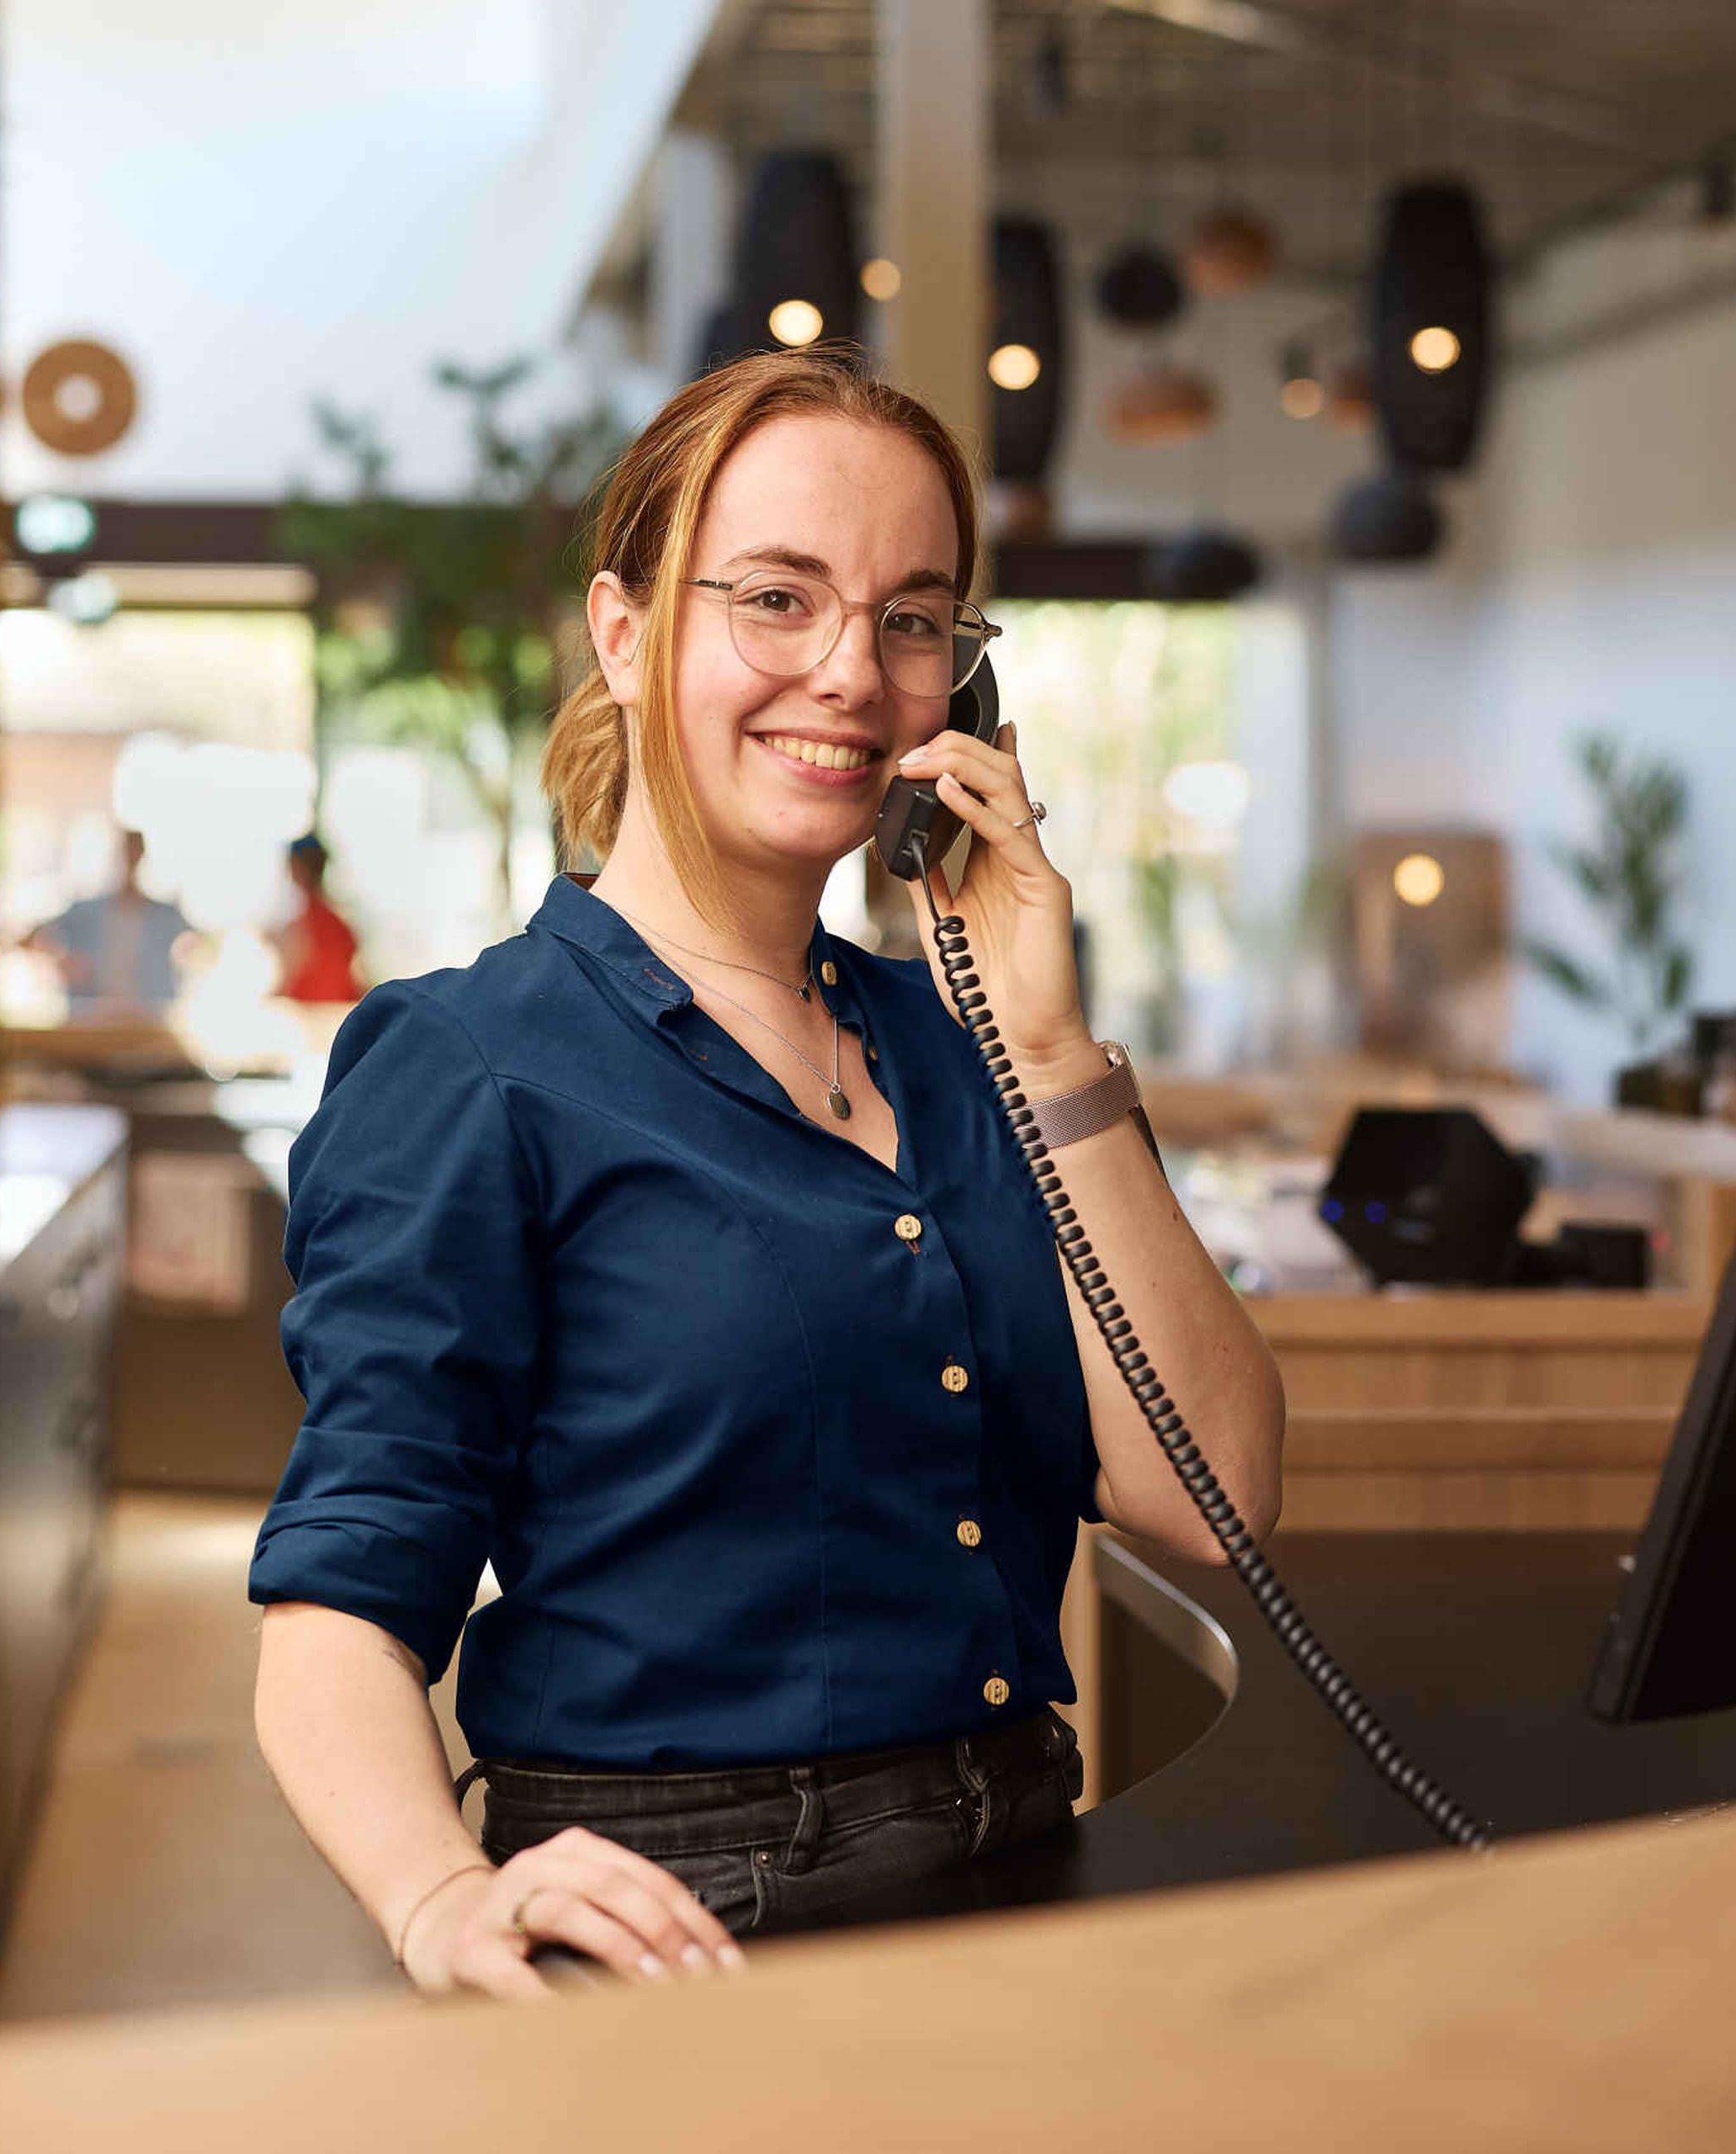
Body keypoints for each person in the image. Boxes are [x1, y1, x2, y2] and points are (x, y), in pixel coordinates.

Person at [245, 348, 1285, 2002]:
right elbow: (338, 1602)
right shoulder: (475, 1062)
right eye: (779, 598)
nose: (853, 674)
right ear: (625, 629)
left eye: (912, 618)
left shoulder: (970, 1054)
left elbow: (1211, 1491)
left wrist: (1057, 1048)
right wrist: (440, 1891)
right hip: (683, 1927)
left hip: (1025, 1879)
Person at [29, 827, 194, 1017]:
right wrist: (64, 962)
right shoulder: (85, 911)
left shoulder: (165, 915)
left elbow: (199, 947)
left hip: (148, 1019)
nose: (131, 859)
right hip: (94, 1018)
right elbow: (33, 937)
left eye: (136, 852)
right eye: (127, 851)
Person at [271, 834, 364, 1005]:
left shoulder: (301, 923)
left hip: (312, 1014)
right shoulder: (340, 920)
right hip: (337, 1011)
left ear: (296, 867)